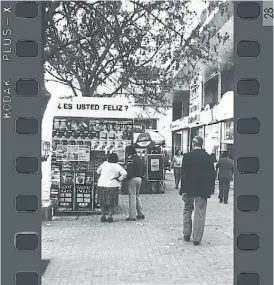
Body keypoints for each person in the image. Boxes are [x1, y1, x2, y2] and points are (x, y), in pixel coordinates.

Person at [180, 136, 216, 246]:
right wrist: (211, 189)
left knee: (187, 209)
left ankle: (186, 233)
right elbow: (212, 175)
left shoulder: (187, 156)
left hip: (189, 188)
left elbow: (183, 174)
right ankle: (196, 238)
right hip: (202, 189)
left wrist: (183, 189)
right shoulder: (208, 157)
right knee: (199, 212)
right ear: (202, 144)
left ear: (193, 144)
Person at [97, 153, 127, 223]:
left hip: (102, 184)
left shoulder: (104, 164)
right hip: (113, 185)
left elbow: (98, 171)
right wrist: (119, 178)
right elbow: (125, 173)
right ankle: (110, 216)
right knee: (112, 202)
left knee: (102, 201)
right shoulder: (117, 165)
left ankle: (103, 215)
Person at [125, 145, 145, 221]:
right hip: (139, 178)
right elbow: (144, 168)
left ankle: (132, 216)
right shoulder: (140, 158)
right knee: (137, 196)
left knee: (132, 197)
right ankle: (141, 213)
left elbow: (130, 171)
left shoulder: (130, 159)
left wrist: (126, 178)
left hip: (132, 179)